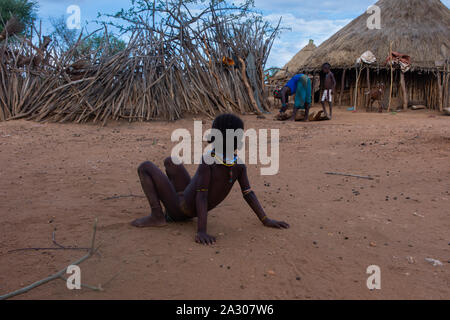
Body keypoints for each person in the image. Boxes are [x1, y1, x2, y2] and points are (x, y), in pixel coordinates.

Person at [131, 114, 290, 245]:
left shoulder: (209, 162)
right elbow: (248, 193)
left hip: (180, 209)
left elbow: (203, 196)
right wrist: (265, 219)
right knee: (170, 161)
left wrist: (201, 231)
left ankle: (158, 215)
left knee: (145, 167)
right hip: (185, 198)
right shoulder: (238, 165)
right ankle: (164, 208)